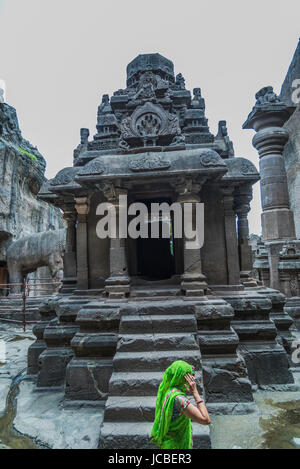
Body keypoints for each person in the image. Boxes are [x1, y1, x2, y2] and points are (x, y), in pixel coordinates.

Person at [150, 360, 210, 449]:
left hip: (169, 442)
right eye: (190, 377)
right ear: (183, 379)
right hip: (176, 445)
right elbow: (205, 420)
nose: (192, 379)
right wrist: (195, 393)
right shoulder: (179, 399)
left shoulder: (168, 390)